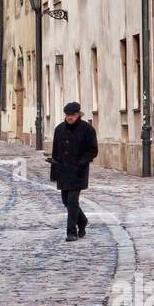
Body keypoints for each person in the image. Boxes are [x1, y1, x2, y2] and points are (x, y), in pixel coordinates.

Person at [49, 102, 98, 242]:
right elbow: (55, 153)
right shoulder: (59, 129)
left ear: (78, 115)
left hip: (78, 172)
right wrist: (54, 172)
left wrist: (82, 162)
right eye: (68, 115)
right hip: (63, 171)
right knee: (66, 201)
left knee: (72, 201)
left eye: (73, 115)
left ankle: (71, 232)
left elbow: (93, 150)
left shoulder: (87, 129)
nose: (70, 117)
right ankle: (82, 221)